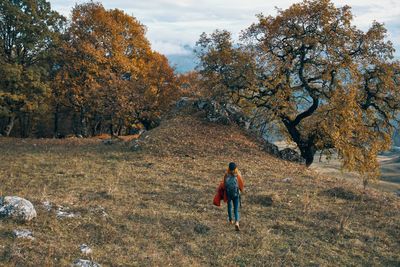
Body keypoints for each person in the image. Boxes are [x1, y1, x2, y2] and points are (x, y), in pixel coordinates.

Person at [222, 162, 244, 231]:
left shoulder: (226, 175)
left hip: (229, 194)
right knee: (236, 209)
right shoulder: (238, 175)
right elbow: (241, 186)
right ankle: (237, 222)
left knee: (229, 207)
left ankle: (231, 220)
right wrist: (240, 190)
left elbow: (224, 185)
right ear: (235, 168)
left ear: (228, 168)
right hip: (236, 194)